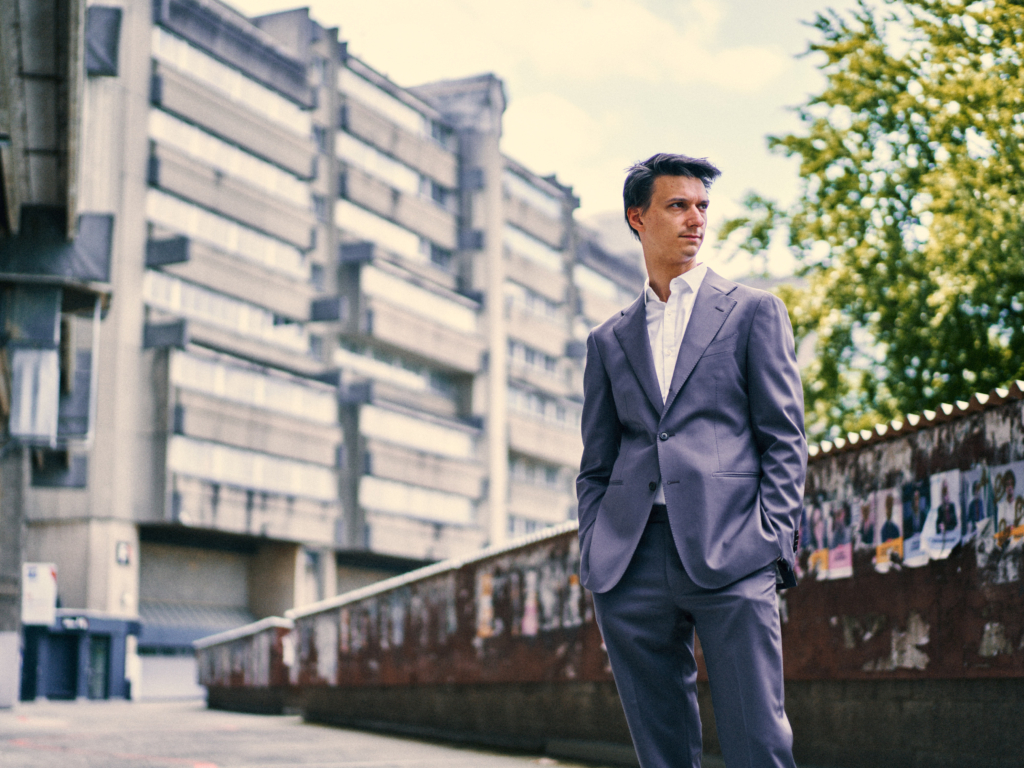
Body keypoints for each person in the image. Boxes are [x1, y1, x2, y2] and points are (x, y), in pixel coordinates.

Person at [577, 153, 806, 768]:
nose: (695, 219)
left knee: (759, 740)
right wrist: (596, 547)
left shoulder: (754, 311)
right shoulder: (607, 339)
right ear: (638, 218)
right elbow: (596, 463)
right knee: (662, 750)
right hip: (632, 561)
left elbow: (785, 438)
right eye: (678, 205)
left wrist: (771, 540)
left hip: (733, 547)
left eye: (702, 206)